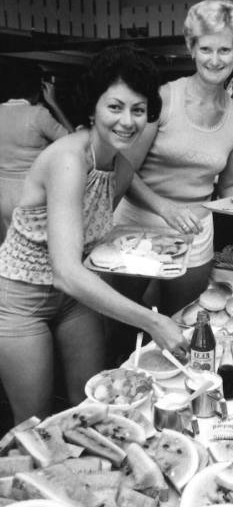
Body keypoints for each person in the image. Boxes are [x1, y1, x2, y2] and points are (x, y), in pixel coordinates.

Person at [0, 45, 188, 423]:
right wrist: (152, 320)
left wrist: (165, 207)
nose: (127, 121)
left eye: (138, 110)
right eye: (115, 107)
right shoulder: (69, 158)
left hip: (74, 300)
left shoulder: (115, 162)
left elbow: (126, 177)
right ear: (92, 108)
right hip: (23, 299)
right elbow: (66, 271)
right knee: (35, 422)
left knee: (94, 405)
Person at [112, 0, 233, 321]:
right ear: (191, 48)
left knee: (185, 322)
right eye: (205, 49)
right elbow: (123, 167)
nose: (214, 60)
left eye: (224, 51)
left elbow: (230, 185)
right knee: (122, 326)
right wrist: (164, 208)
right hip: (137, 221)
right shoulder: (163, 99)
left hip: (195, 230)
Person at [0, 62, 73, 242]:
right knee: (35, 254)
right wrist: (54, 104)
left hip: (2, 192)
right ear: (38, 88)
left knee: (9, 252)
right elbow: (73, 141)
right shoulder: (38, 114)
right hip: (31, 194)